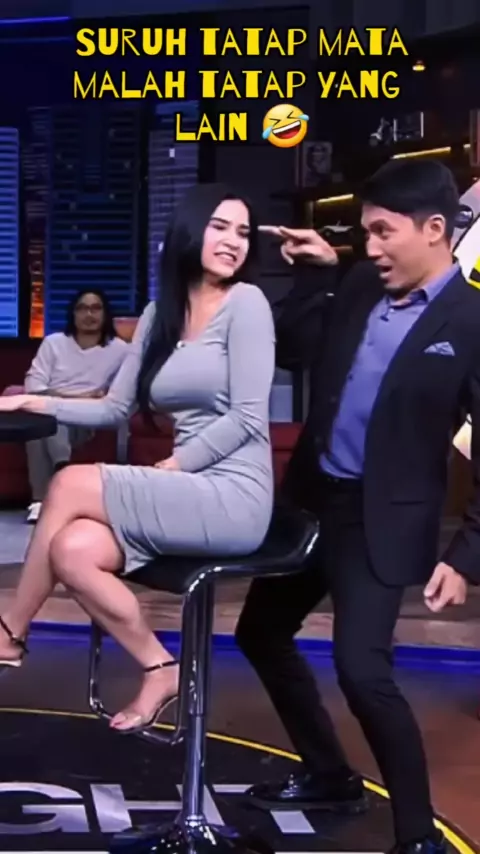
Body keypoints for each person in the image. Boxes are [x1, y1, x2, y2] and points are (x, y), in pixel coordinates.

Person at [236, 159, 479, 854]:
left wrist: (466, 555)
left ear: (434, 229)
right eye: (364, 233)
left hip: (378, 522)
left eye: (382, 232)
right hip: (312, 501)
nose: (369, 247)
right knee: (260, 633)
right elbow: (293, 351)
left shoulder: (472, 320)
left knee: (363, 671)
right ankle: (329, 773)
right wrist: (315, 276)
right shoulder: (357, 285)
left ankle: (418, 838)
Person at [0, 183, 275, 734]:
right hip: (186, 489)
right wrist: (33, 400)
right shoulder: (158, 316)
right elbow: (115, 407)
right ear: (190, 232)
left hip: (234, 492)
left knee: (70, 483)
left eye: (243, 232)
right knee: (72, 549)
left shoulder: (247, 304)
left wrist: (177, 465)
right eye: (220, 227)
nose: (234, 241)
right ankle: (160, 667)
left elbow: (248, 417)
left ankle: (9, 631)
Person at [24, 288, 128, 523]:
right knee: (44, 423)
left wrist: (72, 400)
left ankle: (46, 492)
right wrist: (78, 397)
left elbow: (121, 393)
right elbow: (33, 384)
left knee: (52, 419)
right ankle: (44, 495)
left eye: (95, 308)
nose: (89, 314)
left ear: (105, 314)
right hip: (51, 410)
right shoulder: (53, 343)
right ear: (73, 314)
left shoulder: (120, 350)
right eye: (82, 308)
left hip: (87, 418)